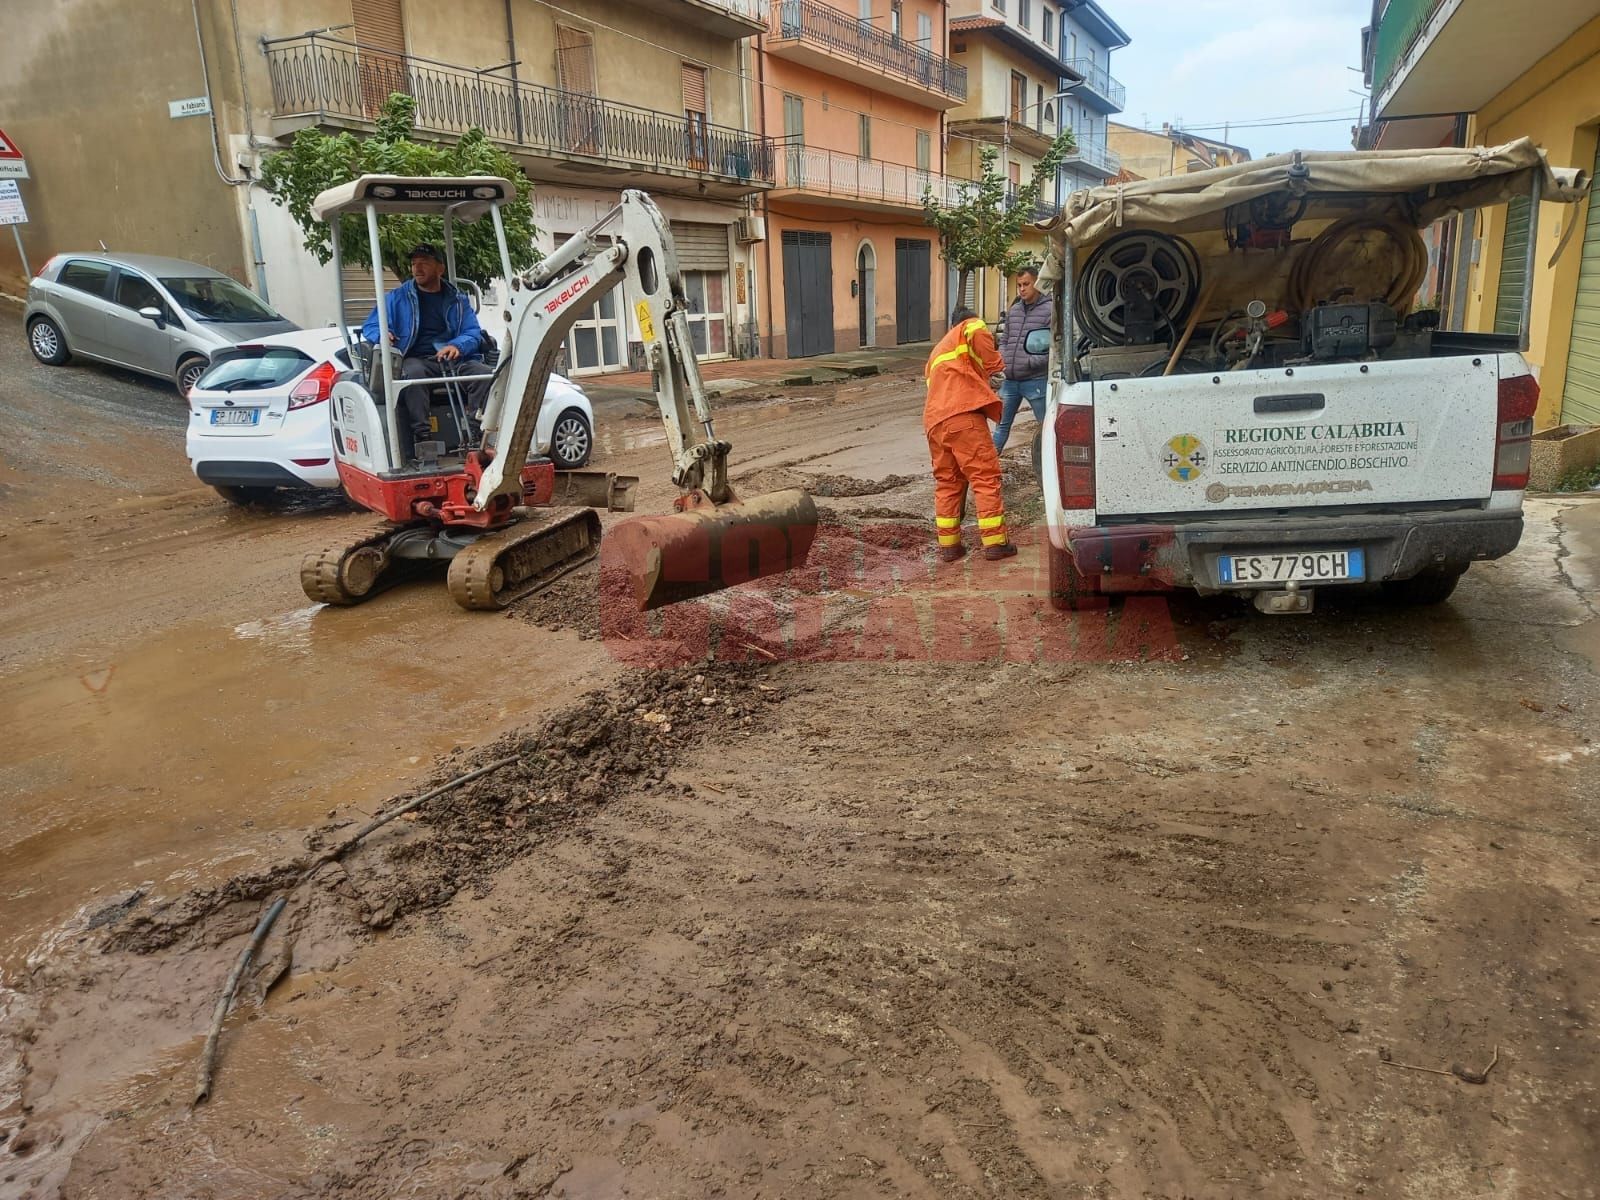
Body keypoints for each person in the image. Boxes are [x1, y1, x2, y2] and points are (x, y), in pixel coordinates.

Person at [361, 243, 491, 464]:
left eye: (424, 263)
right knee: (414, 374)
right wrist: (383, 335)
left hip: (453, 358)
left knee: (483, 374)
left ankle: (475, 433)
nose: (417, 268)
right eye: (414, 264)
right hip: (416, 358)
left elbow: (472, 332)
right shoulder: (397, 298)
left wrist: (458, 346)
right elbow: (372, 325)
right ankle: (423, 438)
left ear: (440, 269)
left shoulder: (457, 299)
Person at [924, 306, 1016, 562]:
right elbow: (991, 360)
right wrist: (998, 365)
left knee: (948, 483)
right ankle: (996, 543)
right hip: (963, 416)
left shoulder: (936, 354)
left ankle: (949, 547)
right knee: (984, 477)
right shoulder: (970, 327)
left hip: (935, 424)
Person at [992, 265, 1053, 453]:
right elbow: (1005, 338)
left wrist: (1031, 362)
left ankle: (1049, 467)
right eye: (1019, 285)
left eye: (1026, 284)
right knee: (1001, 426)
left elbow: (1055, 346)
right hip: (1010, 381)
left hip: (1036, 380)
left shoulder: (1050, 310)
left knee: (1046, 428)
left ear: (1037, 283)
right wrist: (1003, 358)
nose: (1022, 289)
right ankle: (987, 471)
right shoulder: (1015, 310)